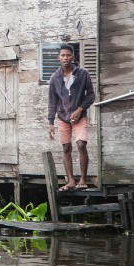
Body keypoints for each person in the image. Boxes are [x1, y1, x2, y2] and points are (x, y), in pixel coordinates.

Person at [47, 44, 95, 191]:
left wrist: (80, 109)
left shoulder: (82, 74)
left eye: (68, 55)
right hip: (63, 117)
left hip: (79, 117)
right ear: (58, 58)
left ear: (73, 57)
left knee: (81, 144)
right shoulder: (55, 78)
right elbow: (52, 101)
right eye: (63, 55)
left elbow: (91, 95)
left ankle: (82, 179)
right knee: (66, 147)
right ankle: (71, 181)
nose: (66, 58)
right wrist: (50, 122)